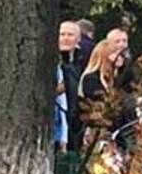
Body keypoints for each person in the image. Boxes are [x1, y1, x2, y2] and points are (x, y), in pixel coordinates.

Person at [79, 38, 137, 136]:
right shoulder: (91, 79)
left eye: (121, 54)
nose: (120, 57)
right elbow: (101, 108)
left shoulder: (122, 78)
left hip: (125, 130)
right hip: (101, 132)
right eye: (114, 53)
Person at [59, 21, 85, 151]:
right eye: (62, 34)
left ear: (78, 39)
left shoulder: (83, 62)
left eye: (70, 35)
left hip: (76, 121)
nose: (65, 38)